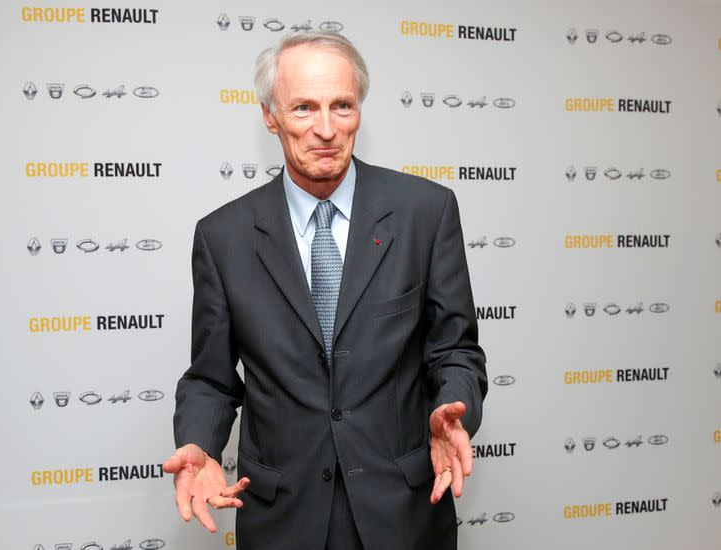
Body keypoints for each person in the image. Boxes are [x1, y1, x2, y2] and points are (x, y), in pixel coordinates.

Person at [163, 31, 487, 550]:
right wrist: (198, 442)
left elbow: (456, 351)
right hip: (283, 519)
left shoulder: (427, 212)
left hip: (403, 513)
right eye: (303, 108)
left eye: (342, 106)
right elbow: (211, 378)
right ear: (270, 115)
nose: (326, 129)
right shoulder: (222, 236)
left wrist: (451, 406)